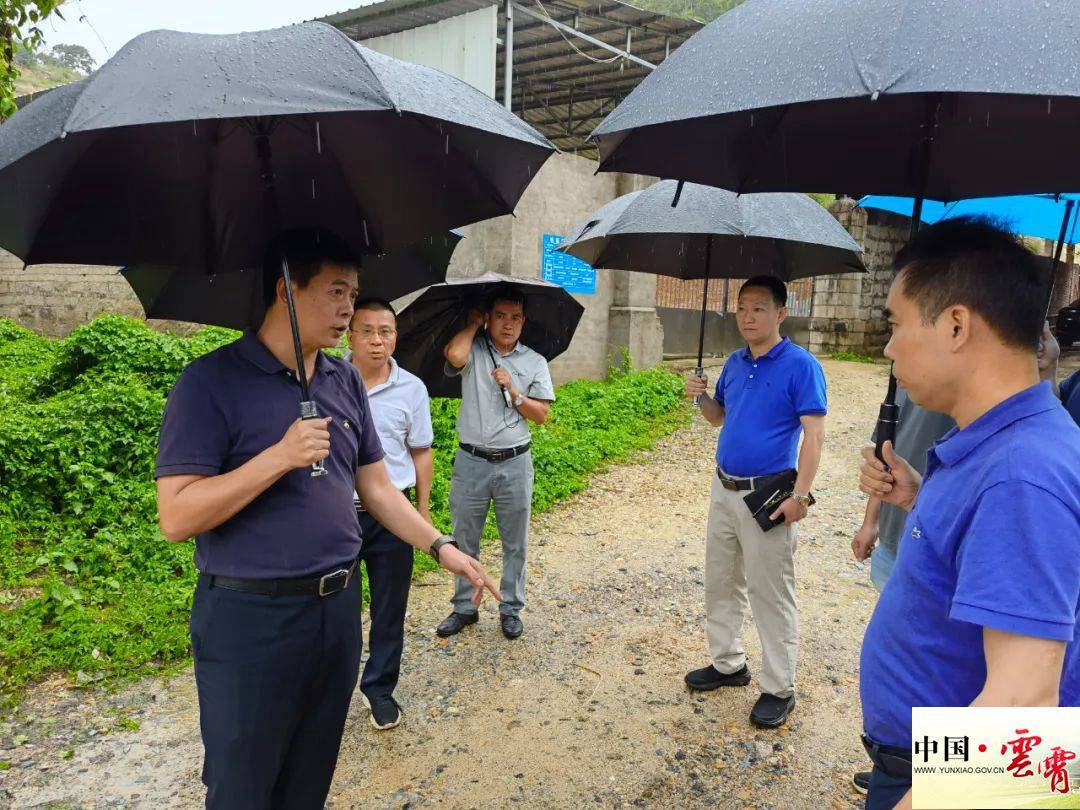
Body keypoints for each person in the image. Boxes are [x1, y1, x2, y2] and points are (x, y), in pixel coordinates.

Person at [155, 228, 499, 809]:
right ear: (287, 289)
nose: (349, 309)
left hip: (336, 611)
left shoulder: (342, 382)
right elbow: (177, 515)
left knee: (309, 779)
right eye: (336, 292)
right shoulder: (209, 383)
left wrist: (440, 545)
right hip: (249, 620)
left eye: (355, 293)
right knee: (242, 786)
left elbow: (377, 488)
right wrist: (278, 457)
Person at [857, 217, 1080, 810]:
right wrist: (915, 497)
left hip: (940, 785)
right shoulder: (1004, 442)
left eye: (895, 323)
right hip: (919, 761)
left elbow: (1024, 708)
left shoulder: (1020, 477)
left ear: (956, 325)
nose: (887, 346)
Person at [683, 275, 826, 729]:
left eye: (759, 308)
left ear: (781, 313)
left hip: (767, 494)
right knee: (721, 581)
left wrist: (801, 497)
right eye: (743, 307)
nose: (748, 316)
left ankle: (780, 686)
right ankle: (728, 664)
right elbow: (717, 418)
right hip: (723, 488)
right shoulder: (734, 361)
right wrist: (700, 395)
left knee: (771, 591)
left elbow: (814, 435)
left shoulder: (801, 366)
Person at [436, 286, 554, 641]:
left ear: (524, 321)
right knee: (463, 539)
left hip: (515, 462)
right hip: (471, 461)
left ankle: (511, 607)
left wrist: (515, 392)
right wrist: (473, 325)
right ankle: (464, 607)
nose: (508, 324)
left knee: (515, 541)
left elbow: (543, 415)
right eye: (499, 316)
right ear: (488, 317)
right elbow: (453, 355)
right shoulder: (473, 350)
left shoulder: (534, 361)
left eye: (515, 317)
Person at [346, 298, 434, 731]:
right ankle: (330, 687)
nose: (378, 341)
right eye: (368, 330)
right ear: (350, 335)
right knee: (335, 611)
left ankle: (379, 688)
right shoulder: (328, 383)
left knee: (389, 607)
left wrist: (421, 513)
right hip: (337, 516)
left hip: (393, 514)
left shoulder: (412, 389)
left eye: (386, 331)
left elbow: (421, 451)